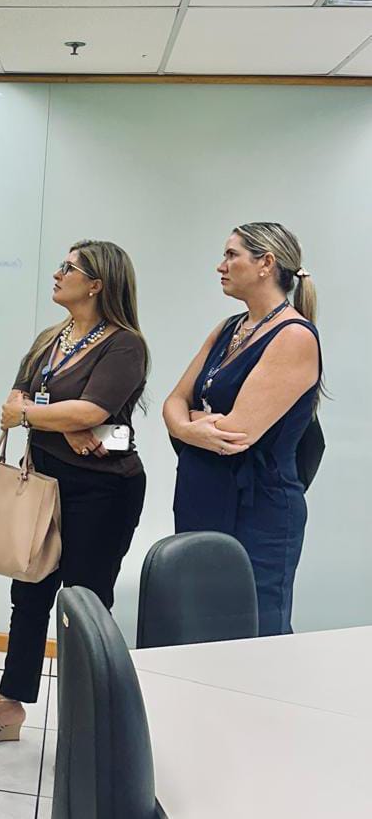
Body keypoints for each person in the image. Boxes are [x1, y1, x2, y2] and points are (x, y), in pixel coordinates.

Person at [0, 240, 149, 747]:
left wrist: (46, 418)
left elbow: (95, 417)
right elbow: (16, 397)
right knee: (28, 596)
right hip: (44, 485)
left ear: (97, 284)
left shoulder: (125, 344)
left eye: (71, 267)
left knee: (83, 606)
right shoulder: (53, 336)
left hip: (104, 491)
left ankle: (86, 723)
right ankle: (8, 706)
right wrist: (56, 422)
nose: (58, 272)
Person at [164, 222, 321, 636]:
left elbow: (235, 434)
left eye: (232, 255)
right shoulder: (228, 329)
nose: (221, 265)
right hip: (203, 497)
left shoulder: (294, 336)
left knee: (254, 635)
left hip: (258, 512)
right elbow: (171, 402)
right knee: (200, 628)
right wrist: (192, 425)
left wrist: (187, 424)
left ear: (266, 263)